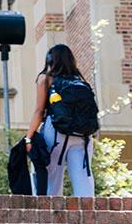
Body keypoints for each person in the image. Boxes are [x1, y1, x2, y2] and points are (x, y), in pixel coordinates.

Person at [26, 44, 95, 197]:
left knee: (51, 180)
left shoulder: (46, 79)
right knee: (83, 181)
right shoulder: (79, 81)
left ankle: (50, 217)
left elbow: (39, 111)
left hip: (57, 133)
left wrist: (28, 138)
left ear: (50, 60)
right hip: (83, 136)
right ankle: (88, 218)